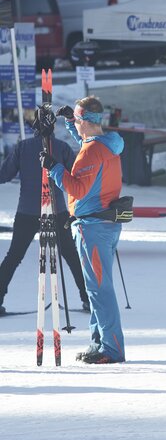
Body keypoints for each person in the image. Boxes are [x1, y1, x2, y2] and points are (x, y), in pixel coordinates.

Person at [40, 96, 125, 364]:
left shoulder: (92, 151)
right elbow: (89, 151)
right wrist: (68, 120)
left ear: (86, 122)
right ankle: (98, 342)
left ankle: (111, 349)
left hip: (94, 227)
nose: (75, 125)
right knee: (96, 288)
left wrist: (54, 168)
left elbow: (77, 187)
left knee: (100, 290)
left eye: (77, 120)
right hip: (103, 224)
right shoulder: (107, 144)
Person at [0, 132, 89, 316]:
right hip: (57, 210)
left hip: (27, 210)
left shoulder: (23, 147)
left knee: (13, 256)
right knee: (71, 255)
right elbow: (78, 175)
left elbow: (5, 174)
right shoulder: (62, 147)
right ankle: (88, 298)